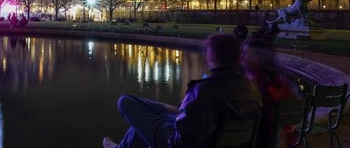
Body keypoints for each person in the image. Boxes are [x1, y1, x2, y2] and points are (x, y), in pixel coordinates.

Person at [103, 33, 262, 148]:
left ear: (212, 55)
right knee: (147, 120)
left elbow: (186, 135)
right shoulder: (250, 87)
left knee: (125, 102)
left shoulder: (204, 89)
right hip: (211, 137)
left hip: (179, 143)